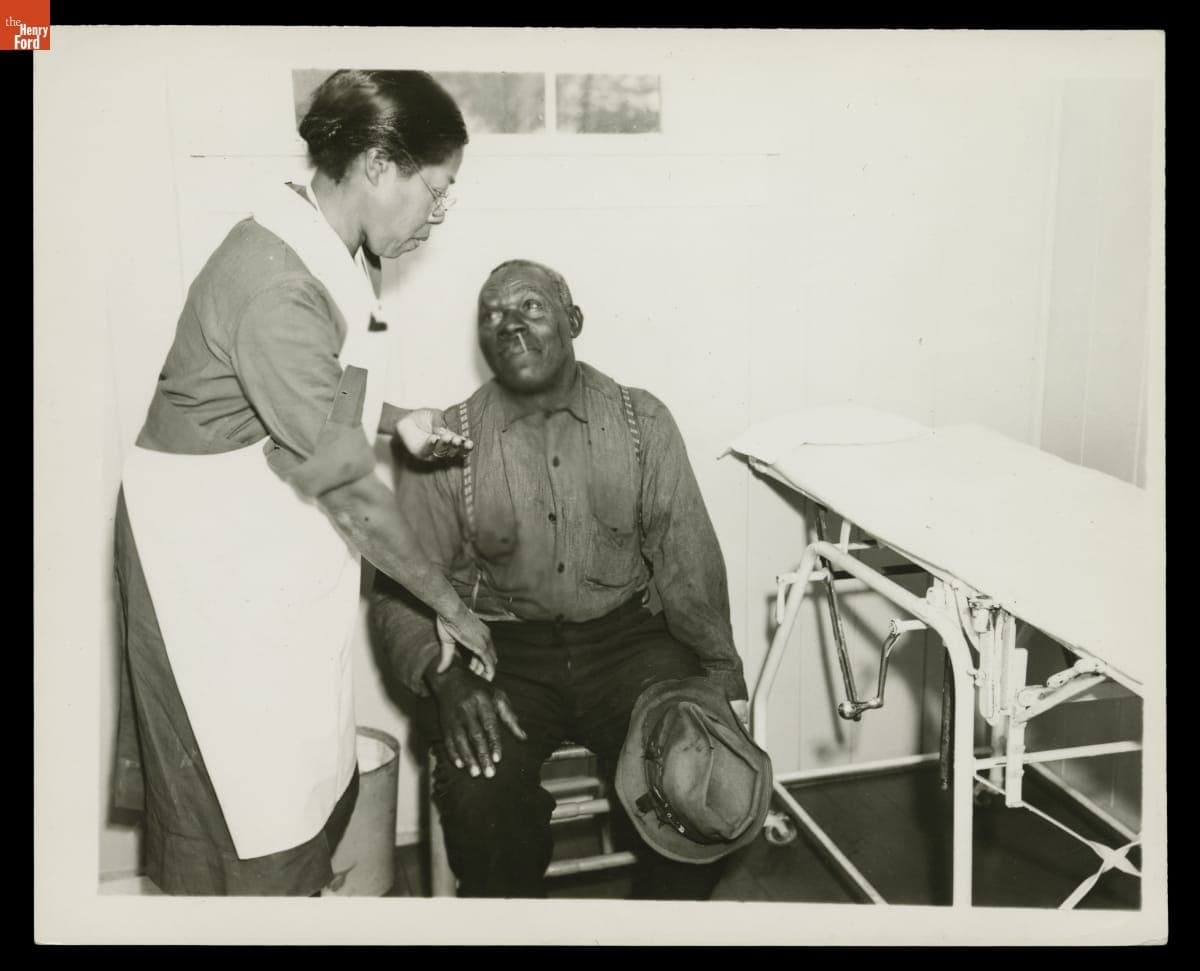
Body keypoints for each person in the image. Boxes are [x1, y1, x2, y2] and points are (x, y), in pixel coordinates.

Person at [112, 69, 497, 896]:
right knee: (241, 804)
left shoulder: (329, 240)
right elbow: (352, 493)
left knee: (295, 775)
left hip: (262, 536)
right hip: (205, 566)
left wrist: (397, 419)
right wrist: (451, 605)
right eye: (435, 191)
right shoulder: (276, 280)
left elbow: (309, 387)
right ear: (377, 165)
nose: (437, 214)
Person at [369, 258, 750, 899]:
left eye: (530, 307)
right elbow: (397, 592)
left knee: (704, 778)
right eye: (493, 315)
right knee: (479, 791)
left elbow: (689, 564)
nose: (509, 325)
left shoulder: (641, 422)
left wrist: (719, 682)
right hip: (496, 654)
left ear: (573, 321)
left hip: (629, 643)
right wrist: (445, 678)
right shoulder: (443, 439)